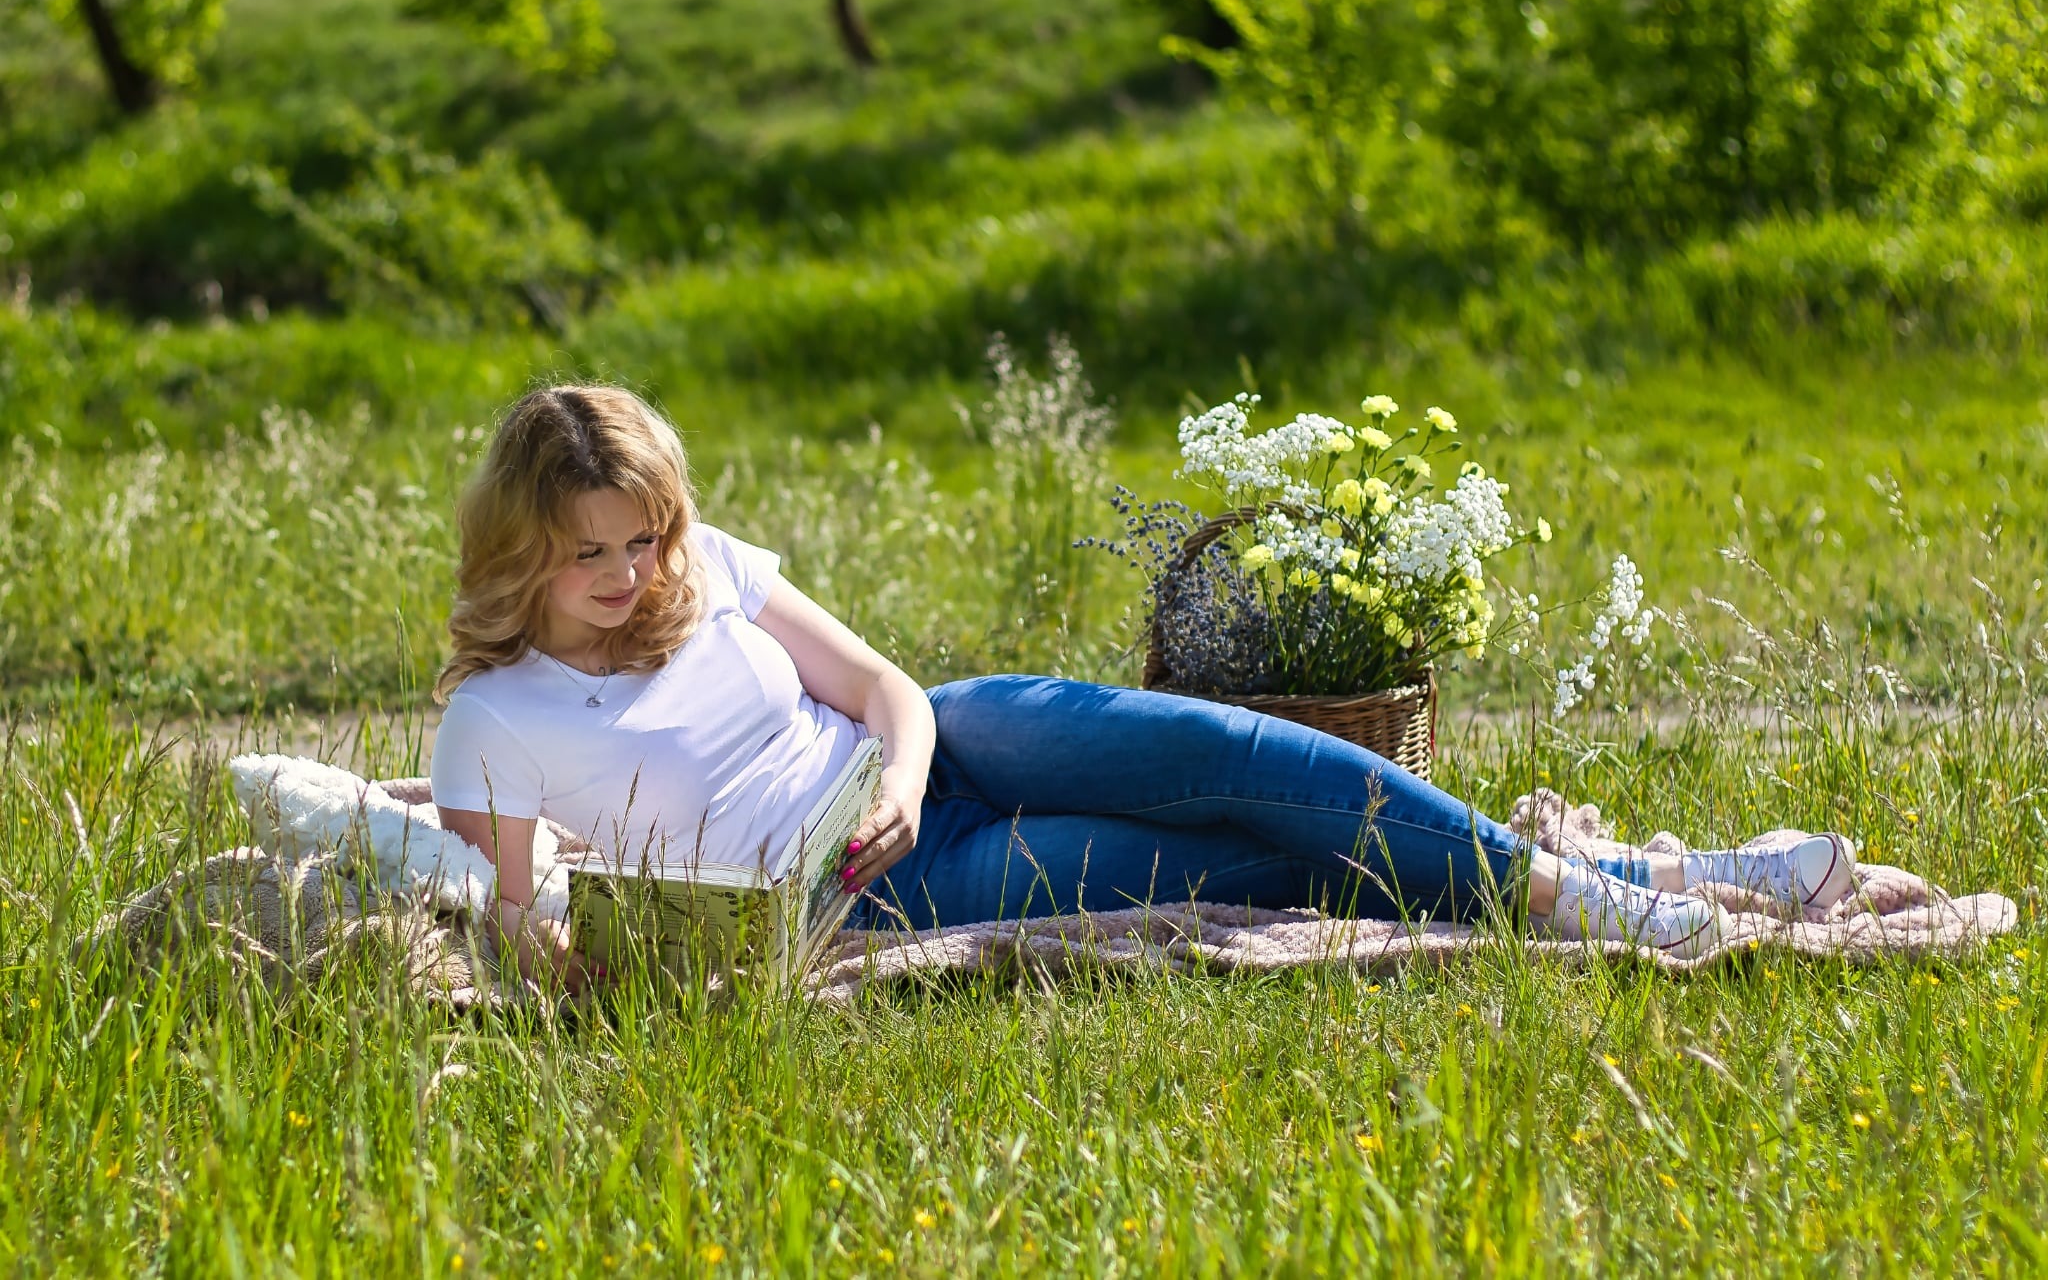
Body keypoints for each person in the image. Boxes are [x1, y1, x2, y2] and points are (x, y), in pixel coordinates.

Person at [429, 385, 1855, 985]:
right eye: (588, 557)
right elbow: (520, 918)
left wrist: (907, 775)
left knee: (1269, 758)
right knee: (1243, 860)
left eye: (644, 538)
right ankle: (1624, 898)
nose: (629, 574)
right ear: (521, 554)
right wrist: (571, 948)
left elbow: (881, 687)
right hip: (871, 887)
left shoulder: (710, 567)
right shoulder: (496, 720)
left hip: (941, 758)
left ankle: (1637, 896)